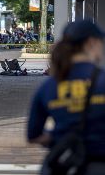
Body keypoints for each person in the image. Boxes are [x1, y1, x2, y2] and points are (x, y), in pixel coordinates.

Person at [27, 20, 105, 175]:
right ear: (91, 43)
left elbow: (33, 135)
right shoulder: (103, 80)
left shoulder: (48, 86)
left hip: (61, 165)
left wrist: (58, 137)